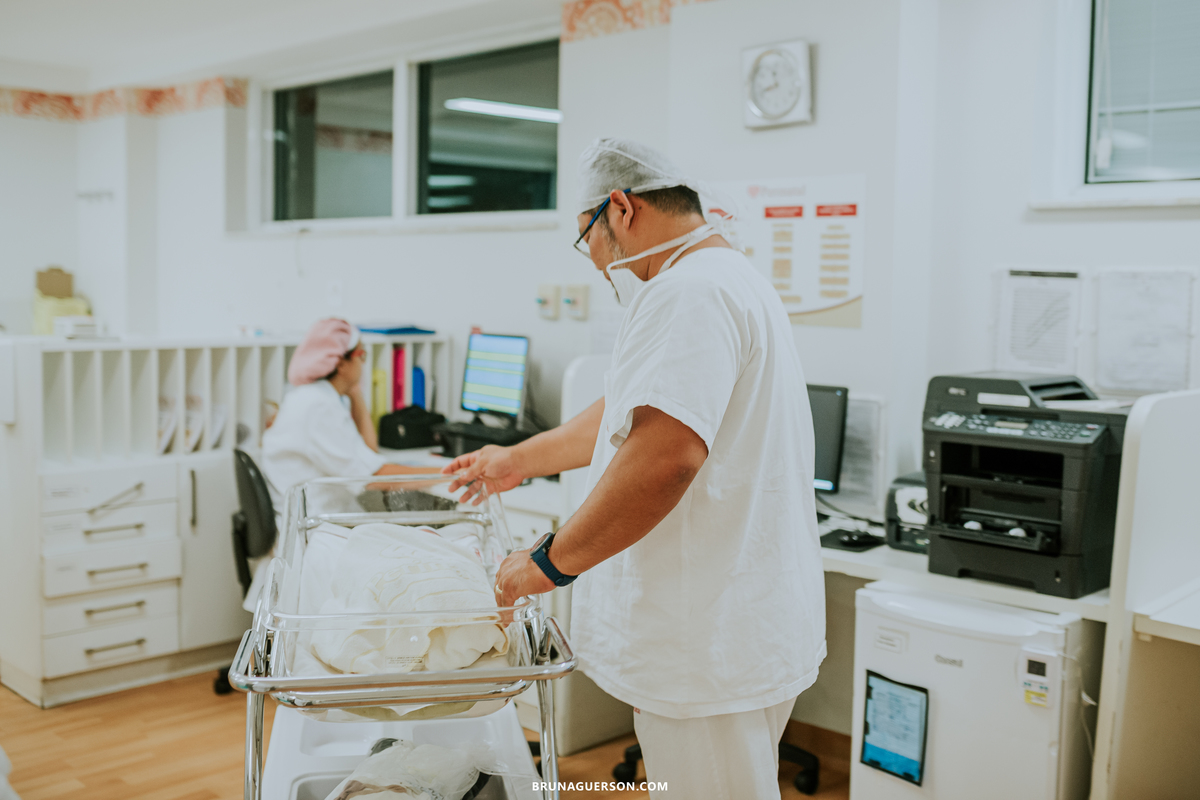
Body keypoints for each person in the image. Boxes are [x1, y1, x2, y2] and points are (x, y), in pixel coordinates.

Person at [444, 138, 826, 798]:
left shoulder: (687, 293)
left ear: (620, 208)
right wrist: (517, 460)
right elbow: (633, 406)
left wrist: (548, 563)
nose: (597, 263)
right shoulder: (731, 279)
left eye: (586, 236)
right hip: (739, 620)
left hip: (702, 637)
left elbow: (665, 459)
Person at [246, 318, 423, 612]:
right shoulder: (319, 408)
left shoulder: (314, 398)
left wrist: (356, 396)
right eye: (361, 357)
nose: (364, 365)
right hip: (318, 536)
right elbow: (375, 477)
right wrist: (451, 473)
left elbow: (368, 455)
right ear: (340, 363)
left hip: (312, 526)